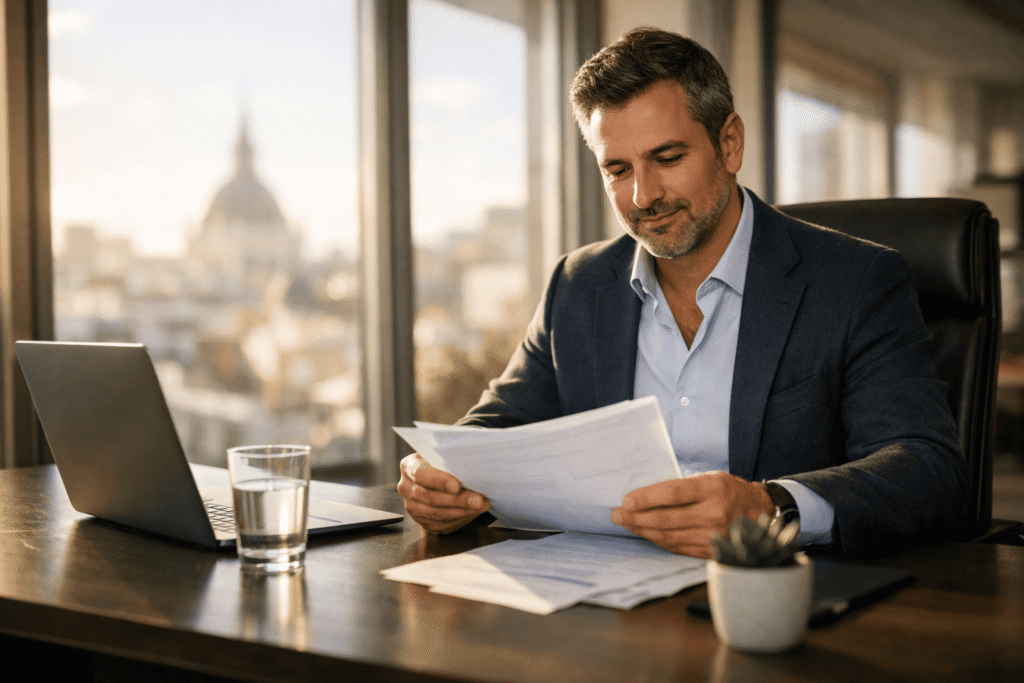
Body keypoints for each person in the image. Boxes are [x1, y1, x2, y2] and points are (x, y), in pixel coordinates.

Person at [397, 27, 968, 558]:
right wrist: (438, 481)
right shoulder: (578, 284)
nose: (644, 195)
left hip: (770, 599)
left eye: (667, 158)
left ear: (730, 143)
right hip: (602, 600)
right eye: (617, 170)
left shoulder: (855, 281)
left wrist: (767, 505)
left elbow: (927, 468)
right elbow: (494, 430)